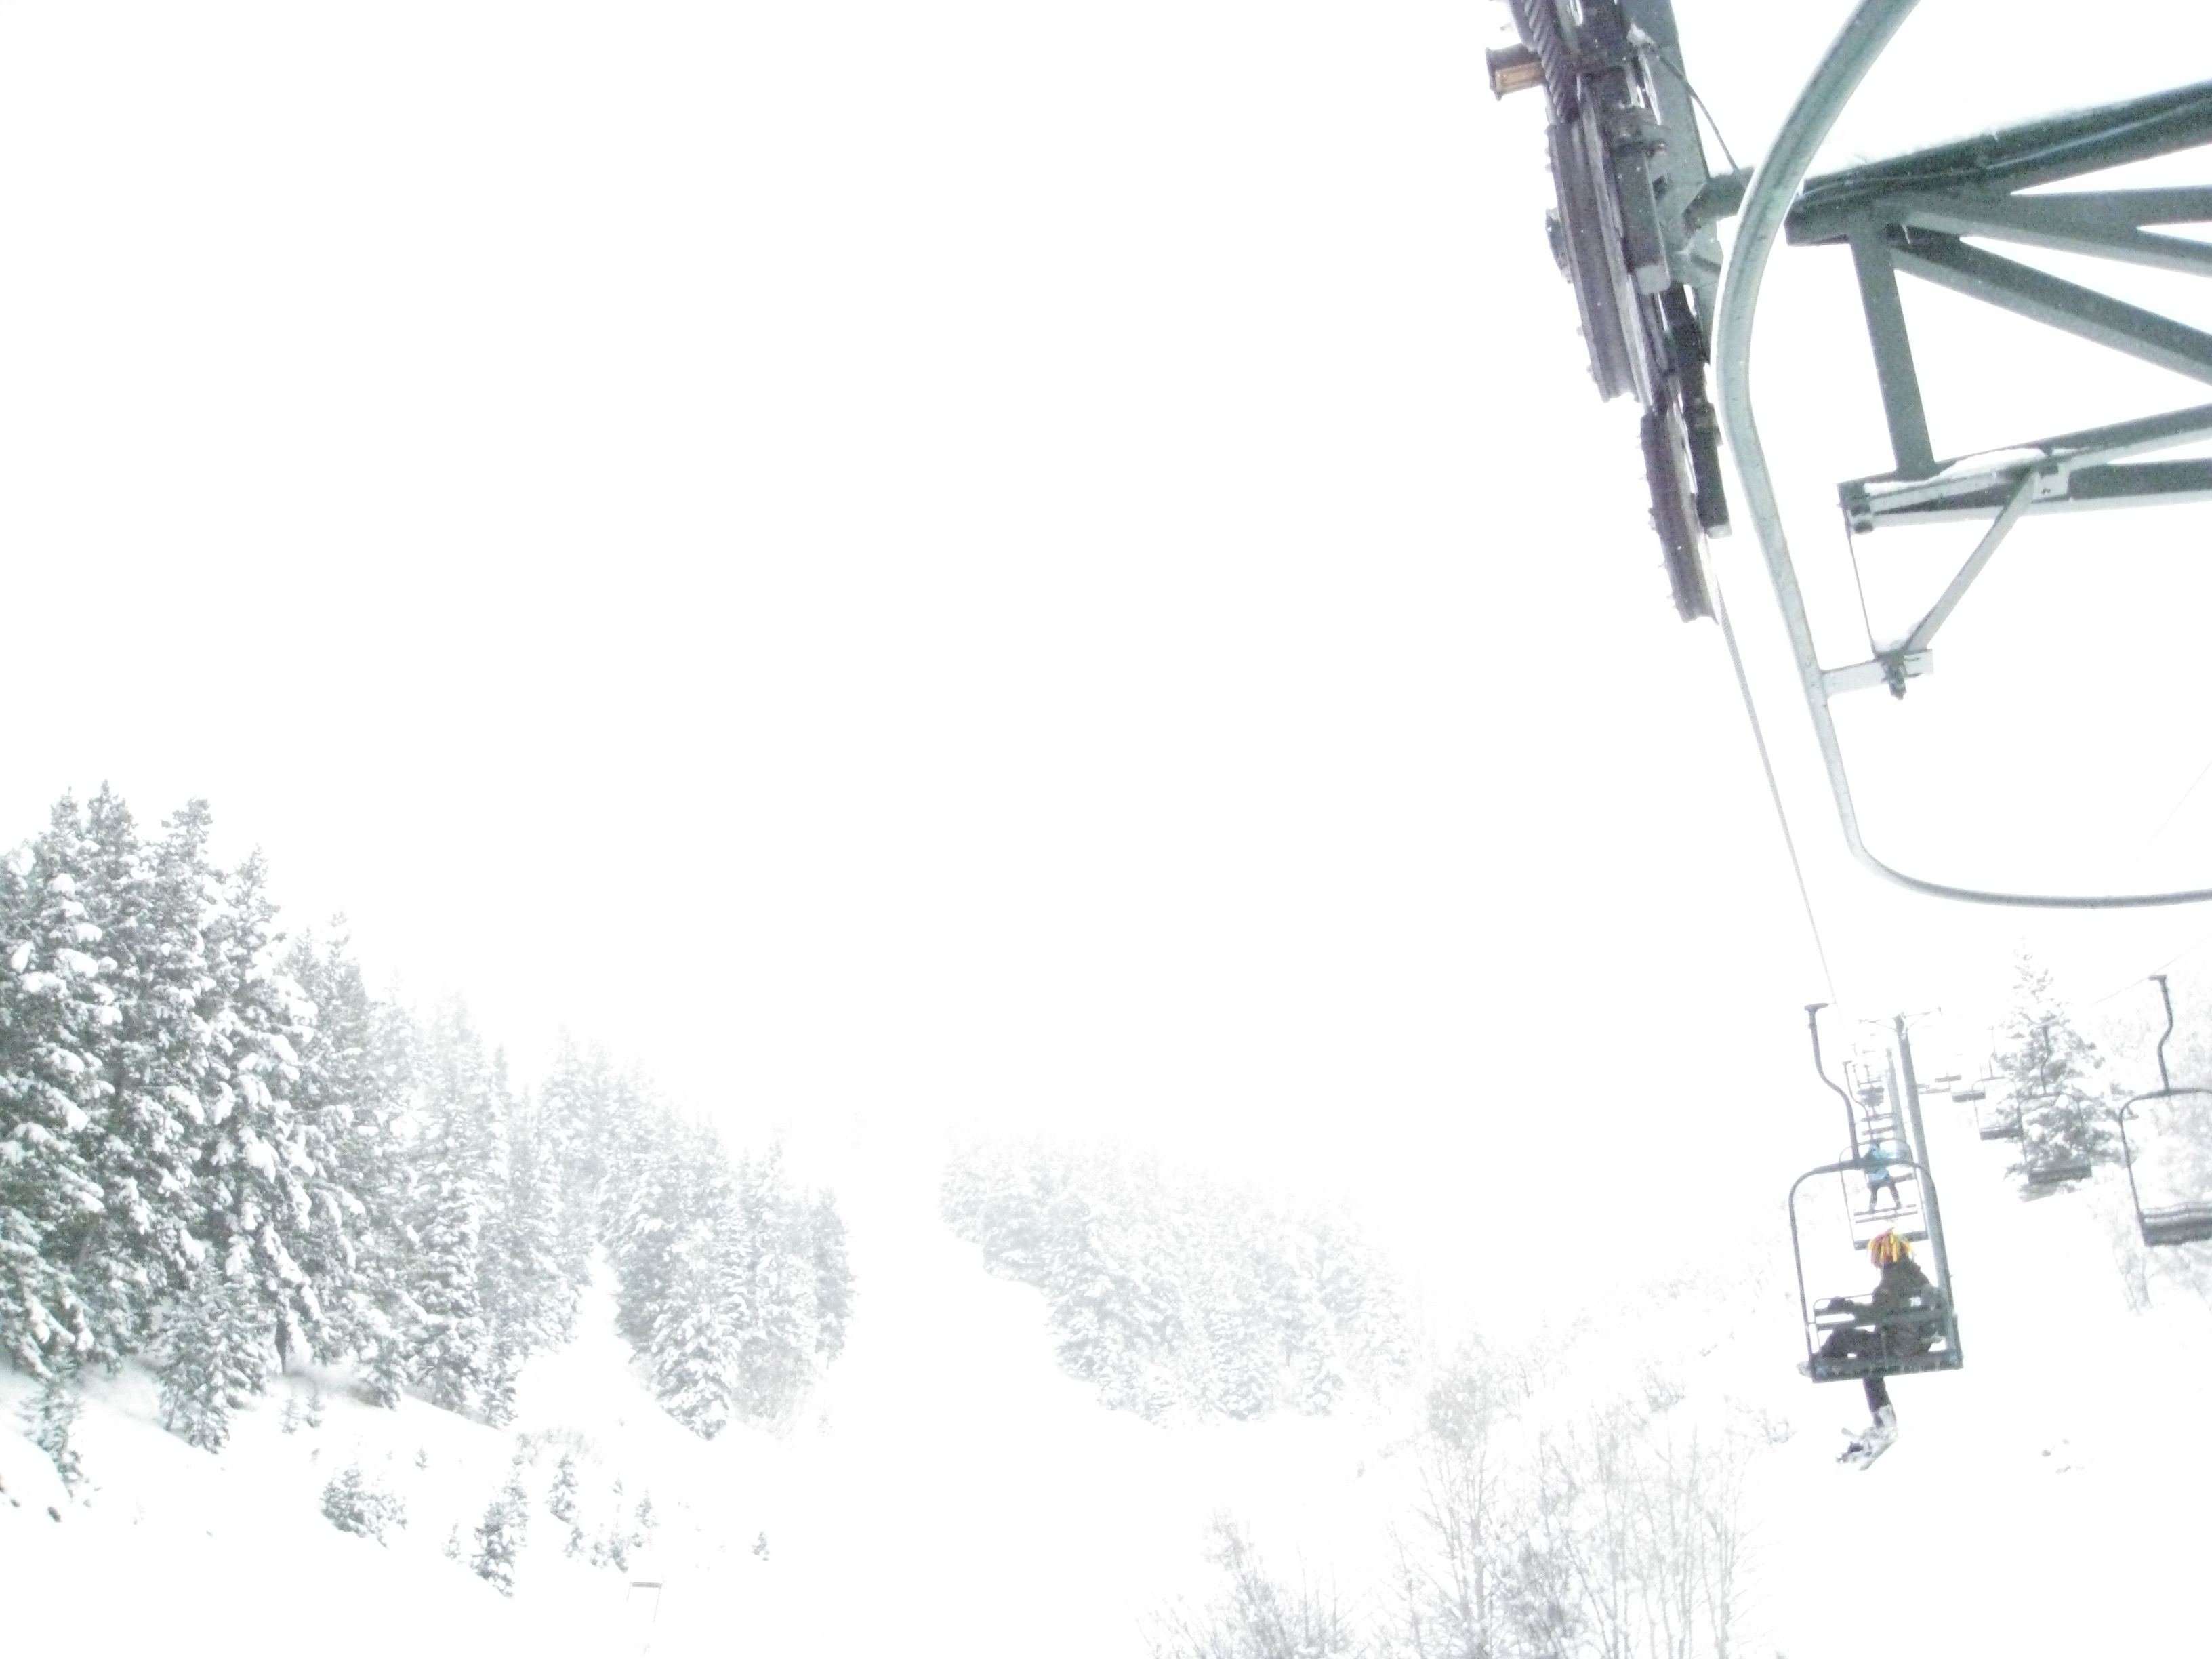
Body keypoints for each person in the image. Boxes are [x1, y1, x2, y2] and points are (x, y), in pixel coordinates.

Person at [1805, 1230, 1944, 1467]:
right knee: (1869, 1363)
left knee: (1842, 1335)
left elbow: (1874, 1314)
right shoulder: (1915, 1276)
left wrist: (1846, 1306)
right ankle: (1883, 1419)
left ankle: (1821, 1364)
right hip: (1912, 1345)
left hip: (1895, 1345)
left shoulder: (1894, 1280)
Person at [1864, 1141, 1903, 1211]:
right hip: (1883, 1176)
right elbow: (1887, 1157)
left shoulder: (1867, 1155)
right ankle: (1897, 1202)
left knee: (1874, 1191)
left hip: (1873, 1180)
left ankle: (1872, 1207)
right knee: (1892, 1185)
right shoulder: (1880, 1152)